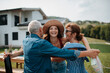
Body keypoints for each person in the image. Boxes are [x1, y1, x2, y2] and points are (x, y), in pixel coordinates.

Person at [4, 20, 100, 73]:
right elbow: (62, 53)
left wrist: (12, 55)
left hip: (59, 66)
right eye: (51, 29)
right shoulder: (42, 42)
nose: (53, 31)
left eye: (55, 29)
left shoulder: (26, 40)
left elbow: (23, 50)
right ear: (42, 30)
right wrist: (88, 53)